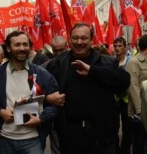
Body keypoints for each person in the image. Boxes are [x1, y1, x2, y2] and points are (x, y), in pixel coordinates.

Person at [46, 22, 130, 154]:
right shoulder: (57, 63)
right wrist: (48, 98)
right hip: (70, 135)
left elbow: (124, 82)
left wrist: (93, 71)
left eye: (84, 38)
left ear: (91, 40)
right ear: (69, 40)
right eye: (75, 38)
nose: (79, 42)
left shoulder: (107, 62)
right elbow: (41, 90)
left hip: (101, 135)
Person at [0, 31, 63, 154]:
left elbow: (55, 104)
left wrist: (41, 119)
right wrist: (0, 111)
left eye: (25, 44)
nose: (22, 48)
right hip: (5, 139)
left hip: (33, 141)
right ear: (8, 48)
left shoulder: (42, 74)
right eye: (17, 45)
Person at [126, 34, 147, 154]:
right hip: (140, 114)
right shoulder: (134, 62)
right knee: (139, 143)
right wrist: (141, 111)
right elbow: (133, 87)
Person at [113, 37, 132, 154]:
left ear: (125, 47)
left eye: (120, 46)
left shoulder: (130, 61)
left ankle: (125, 150)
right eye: (115, 46)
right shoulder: (111, 61)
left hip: (127, 99)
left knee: (127, 127)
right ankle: (115, 149)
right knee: (113, 126)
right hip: (114, 99)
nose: (117, 48)